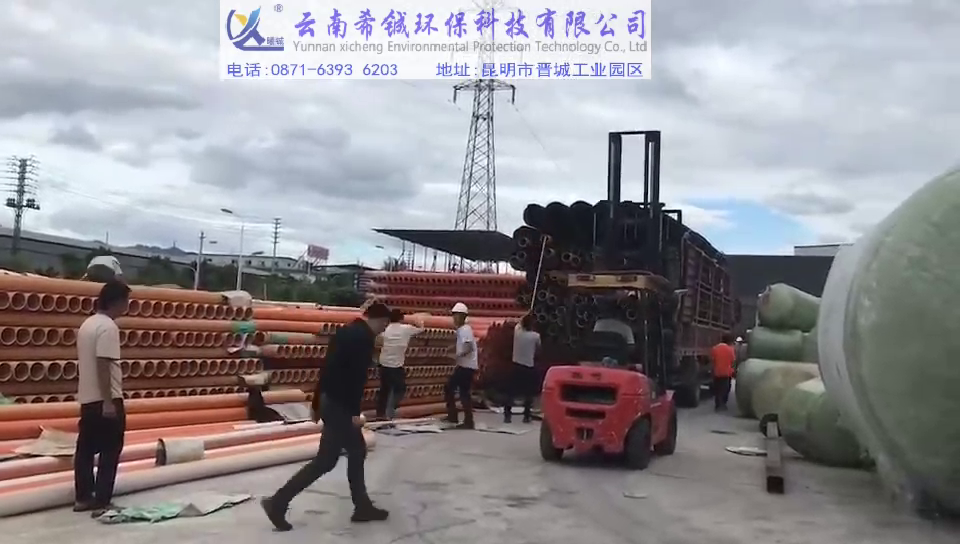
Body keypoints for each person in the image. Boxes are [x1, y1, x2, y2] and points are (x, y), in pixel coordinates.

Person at [261, 302, 392, 530]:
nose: (384, 329)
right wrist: (354, 412)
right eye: (385, 325)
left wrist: (316, 403)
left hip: (330, 401)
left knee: (347, 453)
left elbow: (327, 369)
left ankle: (361, 506)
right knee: (333, 458)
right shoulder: (363, 338)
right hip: (341, 405)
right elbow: (355, 378)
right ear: (380, 320)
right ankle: (278, 502)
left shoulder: (345, 332)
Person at [73, 279, 130, 513]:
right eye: (126, 301)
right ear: (117, 302)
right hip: (106, 398)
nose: (127, 306)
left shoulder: (87, 325)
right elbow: (103, 364)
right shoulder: (108, 328)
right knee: (110, 450)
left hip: (87, 399)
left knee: (85, 450)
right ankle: (102, 501)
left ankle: (83, 497)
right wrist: (108, 401)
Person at [375, 309, 427, 421]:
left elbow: (377, 340)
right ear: (401, 318)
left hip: (384, 364)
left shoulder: (385, 330)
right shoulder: (406, 329)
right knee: (400, 389)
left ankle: (380, 413)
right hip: (396, 365)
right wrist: (418, 321)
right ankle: (390, 411)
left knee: (384, 389)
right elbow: (421, 329)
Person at [444, 302, 477, 430]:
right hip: (465, 366)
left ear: (462, 316)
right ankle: (459, 417)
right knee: (458, 390)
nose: (454, 318)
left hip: (466, 366)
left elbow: (468, 347)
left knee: (455, 390)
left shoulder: (465, 330)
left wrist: (456, 355)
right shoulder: (462, 330)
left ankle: (463, 419)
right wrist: (453, 348)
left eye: (455, 315)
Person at [504, 313, 541, 424]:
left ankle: (507, 415)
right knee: (528, 393)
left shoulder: (517, 333)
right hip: (528, 366)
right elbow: (538, 350)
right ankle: (526, 416)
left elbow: (519, 323)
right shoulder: (535, 336)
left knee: (511, 392)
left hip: (516, 365)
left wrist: (526, 314)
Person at [711, 333, 737, 411]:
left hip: (717, 372)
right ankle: (723, 404)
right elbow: (733, 361)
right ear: (729, 341)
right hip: (726, 373)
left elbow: (712, 360)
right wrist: (734, 370)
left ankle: (717, 405)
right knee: (725, 389)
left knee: (717, 389)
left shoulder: (715, 348)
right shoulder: (730, 349)